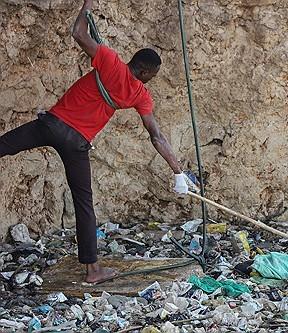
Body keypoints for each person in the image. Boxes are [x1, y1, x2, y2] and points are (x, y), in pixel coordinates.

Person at [0, 0, 190, 283]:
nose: (151, 81)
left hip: (51, 125)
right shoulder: (139, 95)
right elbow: (156, 135)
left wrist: (87, 5)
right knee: (84, 204)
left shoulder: (111, 61)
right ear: (145, 72)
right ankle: (93, 271)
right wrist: (178, 172)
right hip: (76, 142)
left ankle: (93, 270)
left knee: (4, 145)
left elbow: (78, 33)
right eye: (152, 77)